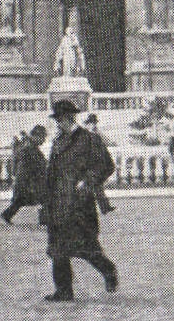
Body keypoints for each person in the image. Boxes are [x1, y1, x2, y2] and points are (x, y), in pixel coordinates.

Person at [40, 99, 118, 301]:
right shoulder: (58, 142)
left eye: (59, 119)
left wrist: (87, 182)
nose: (58, 123)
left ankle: (108, 270)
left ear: (68, 118)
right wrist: (45, 203)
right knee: (58, 250)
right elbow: (51, 174)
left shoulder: (89, 139)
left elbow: (107, 166)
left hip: (79, 204)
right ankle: (63, 290)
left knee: (86, 247)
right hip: (58, 203)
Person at [0, 125, 48, 223]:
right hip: (28, 181)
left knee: (20, 201)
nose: (43, 140)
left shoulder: (29, 147)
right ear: (36, 136)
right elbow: (33, 165)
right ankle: (44, 219)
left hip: (25, 181)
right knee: (44, 198)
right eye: (42, 137)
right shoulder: (30, 148)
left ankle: (6, 215)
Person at [82, 114, 116, 213]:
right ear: (87, 124)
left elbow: (106, 144)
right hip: (89, 165)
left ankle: (105, 207)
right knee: (94, 187)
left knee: (98, 187)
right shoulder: (84, 135)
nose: (93, 125)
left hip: (97, 165)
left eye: (94, 123)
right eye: (91, 123)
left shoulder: (97, 134)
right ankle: (103, 207)